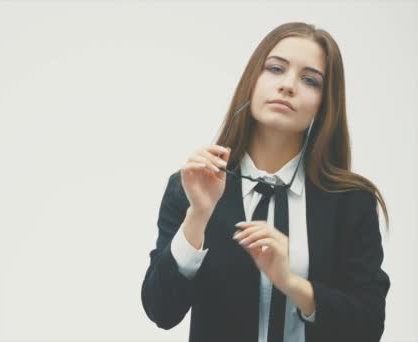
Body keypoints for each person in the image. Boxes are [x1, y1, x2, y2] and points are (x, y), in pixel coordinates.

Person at [140, 22, 390, 342]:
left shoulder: (350, 200)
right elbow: (160, 310)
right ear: (252, 80)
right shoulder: (192, 185)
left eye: (310, 80)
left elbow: (368, 326)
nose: (288, 86)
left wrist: (291, 282)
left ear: (325, 103)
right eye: (275, 69)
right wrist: (198, 214)